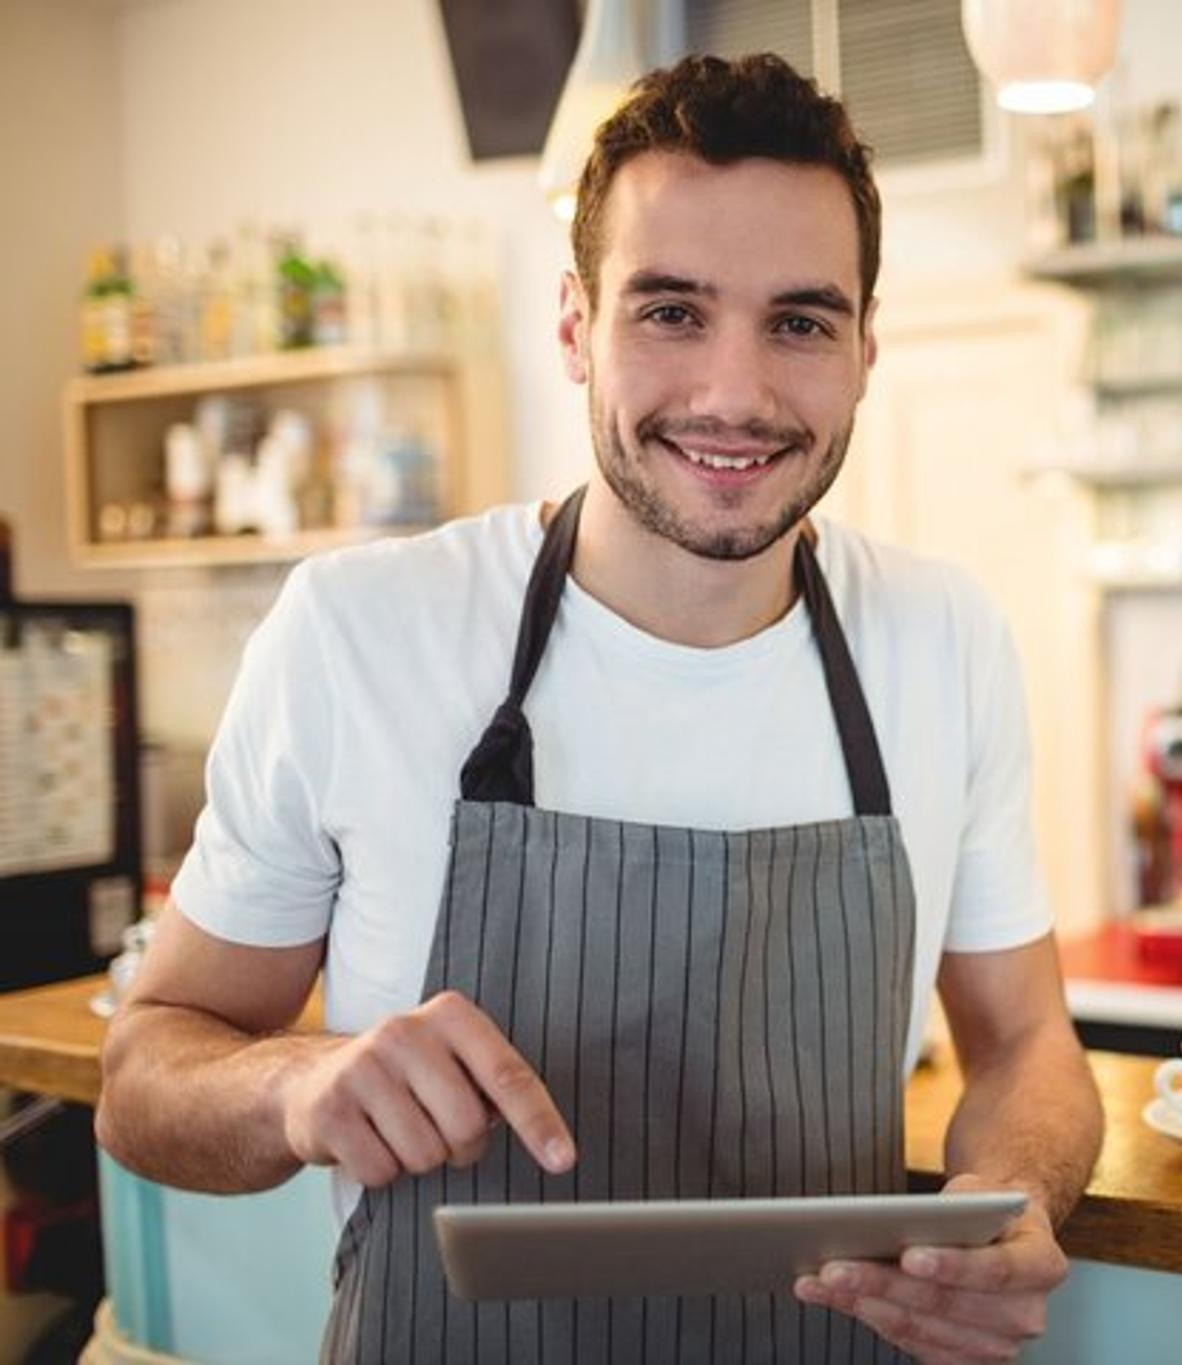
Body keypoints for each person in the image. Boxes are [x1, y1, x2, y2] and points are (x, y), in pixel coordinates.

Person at [96, 52, 1104, 1364]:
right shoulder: (362, 632)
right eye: (670, 311)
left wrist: (1014, 1192)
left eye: (800, 320)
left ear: (865, 346)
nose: (735, 392)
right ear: (575, 326)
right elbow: (144, 1073)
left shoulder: (944, 638)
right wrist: (298, 1082)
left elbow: (1027, 1038)